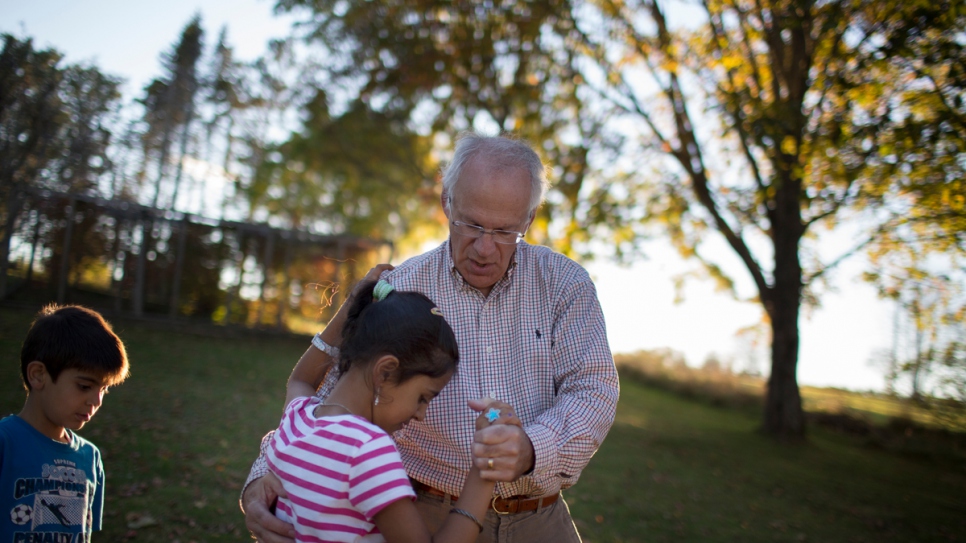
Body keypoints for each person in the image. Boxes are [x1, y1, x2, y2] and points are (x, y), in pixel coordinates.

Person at [243, 133, 620, 543]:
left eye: (505, 231)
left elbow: (594, 390)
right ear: (446, 202)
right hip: (419, 512)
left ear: (528, 220)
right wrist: (261, 479)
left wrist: (529, 449)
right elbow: (328, 399)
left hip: (540, 520)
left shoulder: (565, 283)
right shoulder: (401, 288)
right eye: (472, 224)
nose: (485, 248)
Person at [267, 278, 522, 542]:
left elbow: (300, 379)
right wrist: (486, 468)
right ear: (385, 371)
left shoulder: (298, 417)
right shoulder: (366, 450)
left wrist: (353, 303)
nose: (420, 414)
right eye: (423, 397)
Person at [1, 304, 130, 541]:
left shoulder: (89, 458)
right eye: (84, 386)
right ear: (38, 375)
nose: (96, 400)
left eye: (104, 389)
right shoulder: (5, 444)